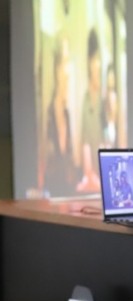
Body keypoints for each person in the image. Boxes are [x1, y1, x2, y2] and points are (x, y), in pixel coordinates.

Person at [42, 35, 80, 197]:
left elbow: (71, 164)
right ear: (56, 69)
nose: (68, 71)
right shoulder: (48, 115)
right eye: (65, 62)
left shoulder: (66, 114)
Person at [78, 29, 105, 192]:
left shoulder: (105, 99)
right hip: (92, 182)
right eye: (94, 60)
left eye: (99, 60)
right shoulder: (85, 99)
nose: (97, 65)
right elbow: (85, 142)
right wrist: (90, 174)